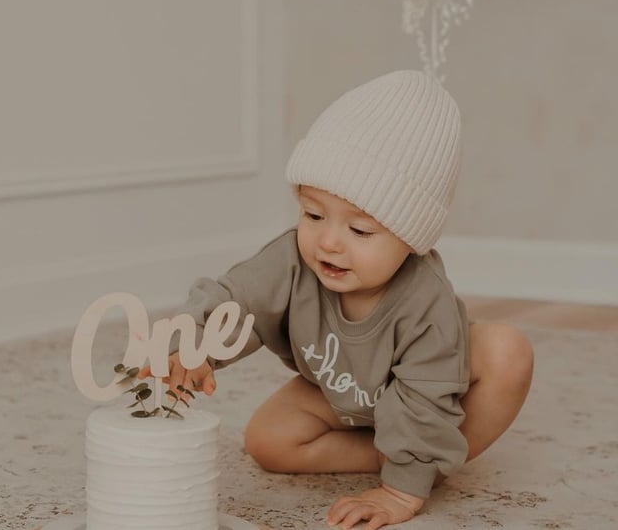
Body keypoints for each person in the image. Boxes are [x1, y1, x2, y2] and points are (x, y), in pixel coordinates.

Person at [139, 70, 534, 530]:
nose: (328, 242)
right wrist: (193, 347)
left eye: (360, 230)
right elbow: (237, 299)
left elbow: (428, 398)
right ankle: (388, 453)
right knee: (266, 441)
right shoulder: (291, 261)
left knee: (507, 352)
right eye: (313, 214)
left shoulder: (427, 302)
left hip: (425, 392)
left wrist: (400, 492)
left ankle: (422, 465)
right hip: (340, 393)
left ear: (411, 239)